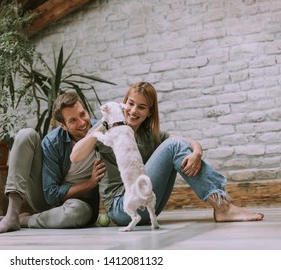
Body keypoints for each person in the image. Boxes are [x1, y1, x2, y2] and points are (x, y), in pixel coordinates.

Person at [71, 81, 264, 226]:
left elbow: (186, 141)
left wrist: (197, 152)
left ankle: (222, 206)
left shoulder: (150, 135)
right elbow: (75, 156)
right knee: (173, 146)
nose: (133, 110)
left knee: (176, 145)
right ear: (123, 104)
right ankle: (223, 207)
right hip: (122, 208)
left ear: (149, 112)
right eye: (130, 103)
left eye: (142, 107)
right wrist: (102, 125)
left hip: (148, 203)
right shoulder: (108, 128)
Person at [0, 92, 105, 234]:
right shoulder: (53, 142)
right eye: (72, 120)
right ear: (63, 125)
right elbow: (51, 194)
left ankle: (25, 220)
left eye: (82, 114)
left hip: (80, 205)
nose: (81, 122)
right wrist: (90, 183)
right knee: (26, 135)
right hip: (46, 200)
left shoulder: (100, 131)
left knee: (77, 212)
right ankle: (12, 214)